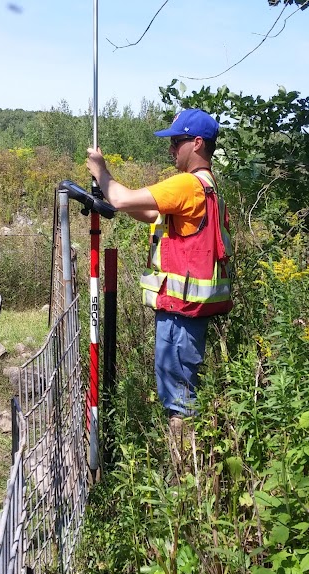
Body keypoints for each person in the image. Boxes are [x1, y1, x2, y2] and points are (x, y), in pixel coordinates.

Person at [86, 108, 233, 468]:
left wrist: (101, 172)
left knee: (180, 402)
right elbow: (150, 212)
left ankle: (185, 481)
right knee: (183, 395)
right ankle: (191, 474)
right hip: (190, 313)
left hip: (181, 315)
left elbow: (121, 199)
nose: (171, 150)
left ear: (197, 143)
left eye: (177, 141)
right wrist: (116, 197)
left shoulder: (186, 184)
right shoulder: (208, 188)